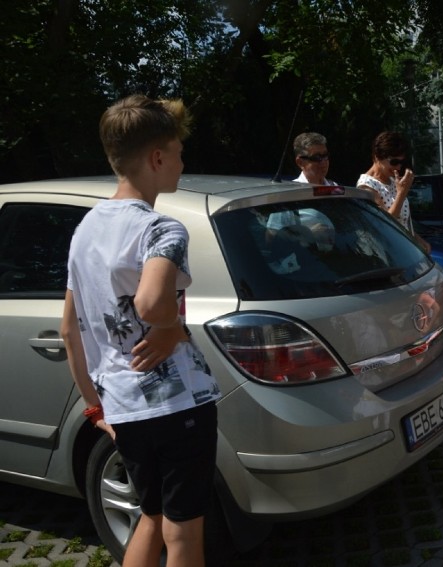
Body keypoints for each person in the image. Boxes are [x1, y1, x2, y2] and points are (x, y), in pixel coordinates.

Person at [60, 94, 221, 566]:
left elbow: (70, 329)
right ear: (156, 158)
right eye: (177, 152)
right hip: (177, 407)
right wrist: (176, 331)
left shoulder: (84, 229)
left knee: (149, 517)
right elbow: (152, 304)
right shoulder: (162, 230)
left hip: (125, 410)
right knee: (184, 536)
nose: (182, 161)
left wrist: (95, 406)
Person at [356, 131, 430, 253]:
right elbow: (385, 223)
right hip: (388, 253)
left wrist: (417, 239)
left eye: (401, 162)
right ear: (376, 157)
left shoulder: (392, 181)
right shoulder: (366, 186)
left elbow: (402, 220)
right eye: (394, 162)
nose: (398, 167)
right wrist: (401, 193)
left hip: (405, 249)